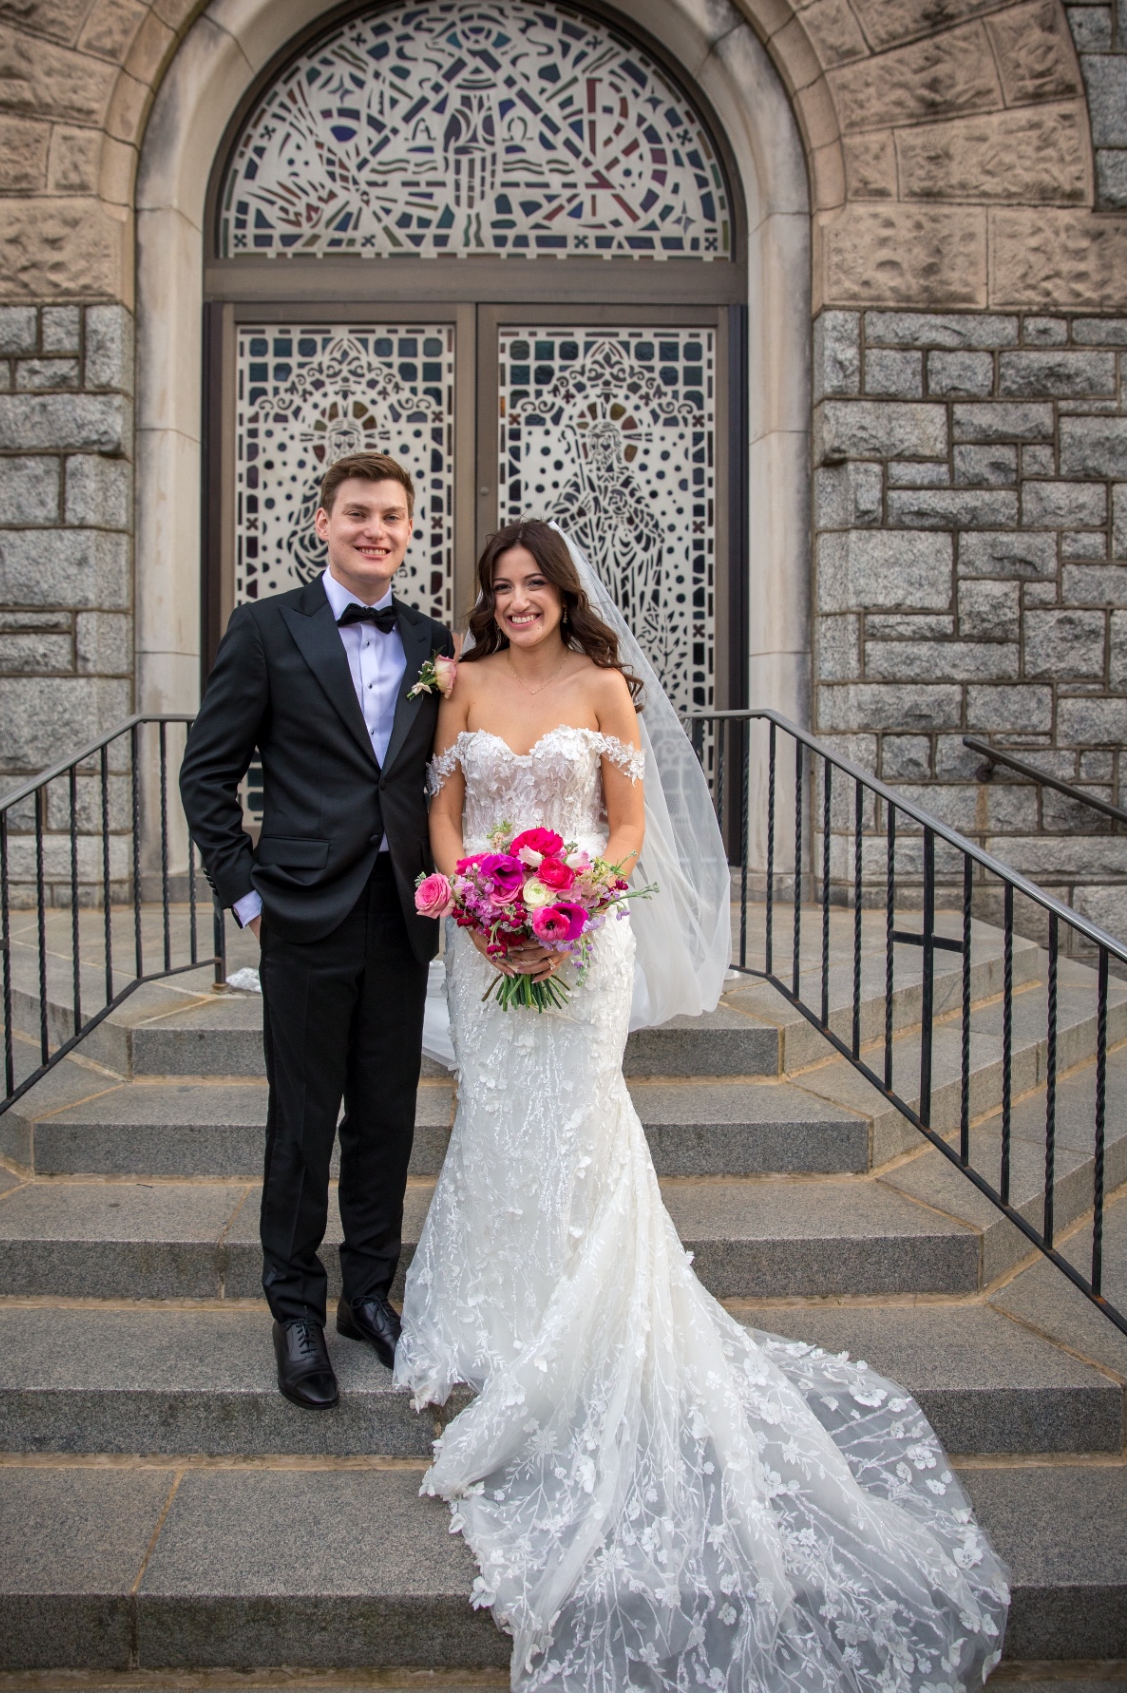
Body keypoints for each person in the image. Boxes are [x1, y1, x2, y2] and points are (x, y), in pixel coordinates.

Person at [394, 519, 1010, 1693]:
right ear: (484, 601)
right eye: (500, 586)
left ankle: (588, 1312)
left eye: (533, 584)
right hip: (479, 938)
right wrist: (475, 904)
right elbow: (444, 809)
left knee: (577, 1114)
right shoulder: (461, 683)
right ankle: (501, 1305)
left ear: (563, 594)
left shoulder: (604, 683)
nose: (517, 599)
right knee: (498, 1116)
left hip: (581, 933)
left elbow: (628, 829)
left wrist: (566, 901)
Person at [179, 453, 454, 1411]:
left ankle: (366, 1297)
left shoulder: (432, 640)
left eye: (391, 516)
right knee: (301, 1122)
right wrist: (244, 895)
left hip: (402, 913)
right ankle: (294, 1309)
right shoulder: (264, 630)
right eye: (357, 515)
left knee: (384, 1118)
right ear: (322, 523)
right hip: (300, 911)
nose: (375, 529)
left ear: (410, 531)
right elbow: (206, 775)